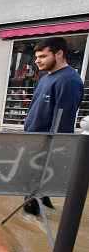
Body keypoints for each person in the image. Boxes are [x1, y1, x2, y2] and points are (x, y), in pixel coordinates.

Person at [23, 37, 84, 215]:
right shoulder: (44, 79)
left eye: (42, 56)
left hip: (45, 150)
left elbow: (62, 124)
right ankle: (50, 214)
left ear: (59, 54)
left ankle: (27, 233)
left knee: (30, 200)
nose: (37, 60)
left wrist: (48, 155)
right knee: (38, 193)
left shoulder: (69, 81)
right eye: (37, 56)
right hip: (33, 146)